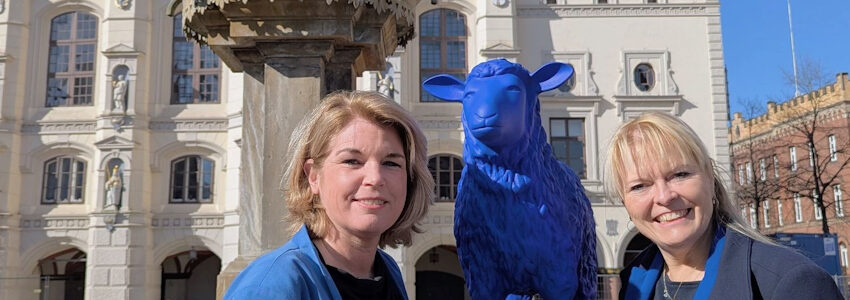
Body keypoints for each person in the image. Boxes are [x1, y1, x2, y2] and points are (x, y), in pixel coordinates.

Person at [605, 112, 842, 300]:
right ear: (624, 201)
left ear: (709, 176)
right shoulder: (633, 283)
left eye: (679, 174)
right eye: (639, 186)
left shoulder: (791, 282)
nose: (664, 196)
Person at [224, 91, 433, 299]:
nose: (375, 178)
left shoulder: (387, 271)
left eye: (391, 163)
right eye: (352, 161)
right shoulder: (271, 285)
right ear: (313, 176)